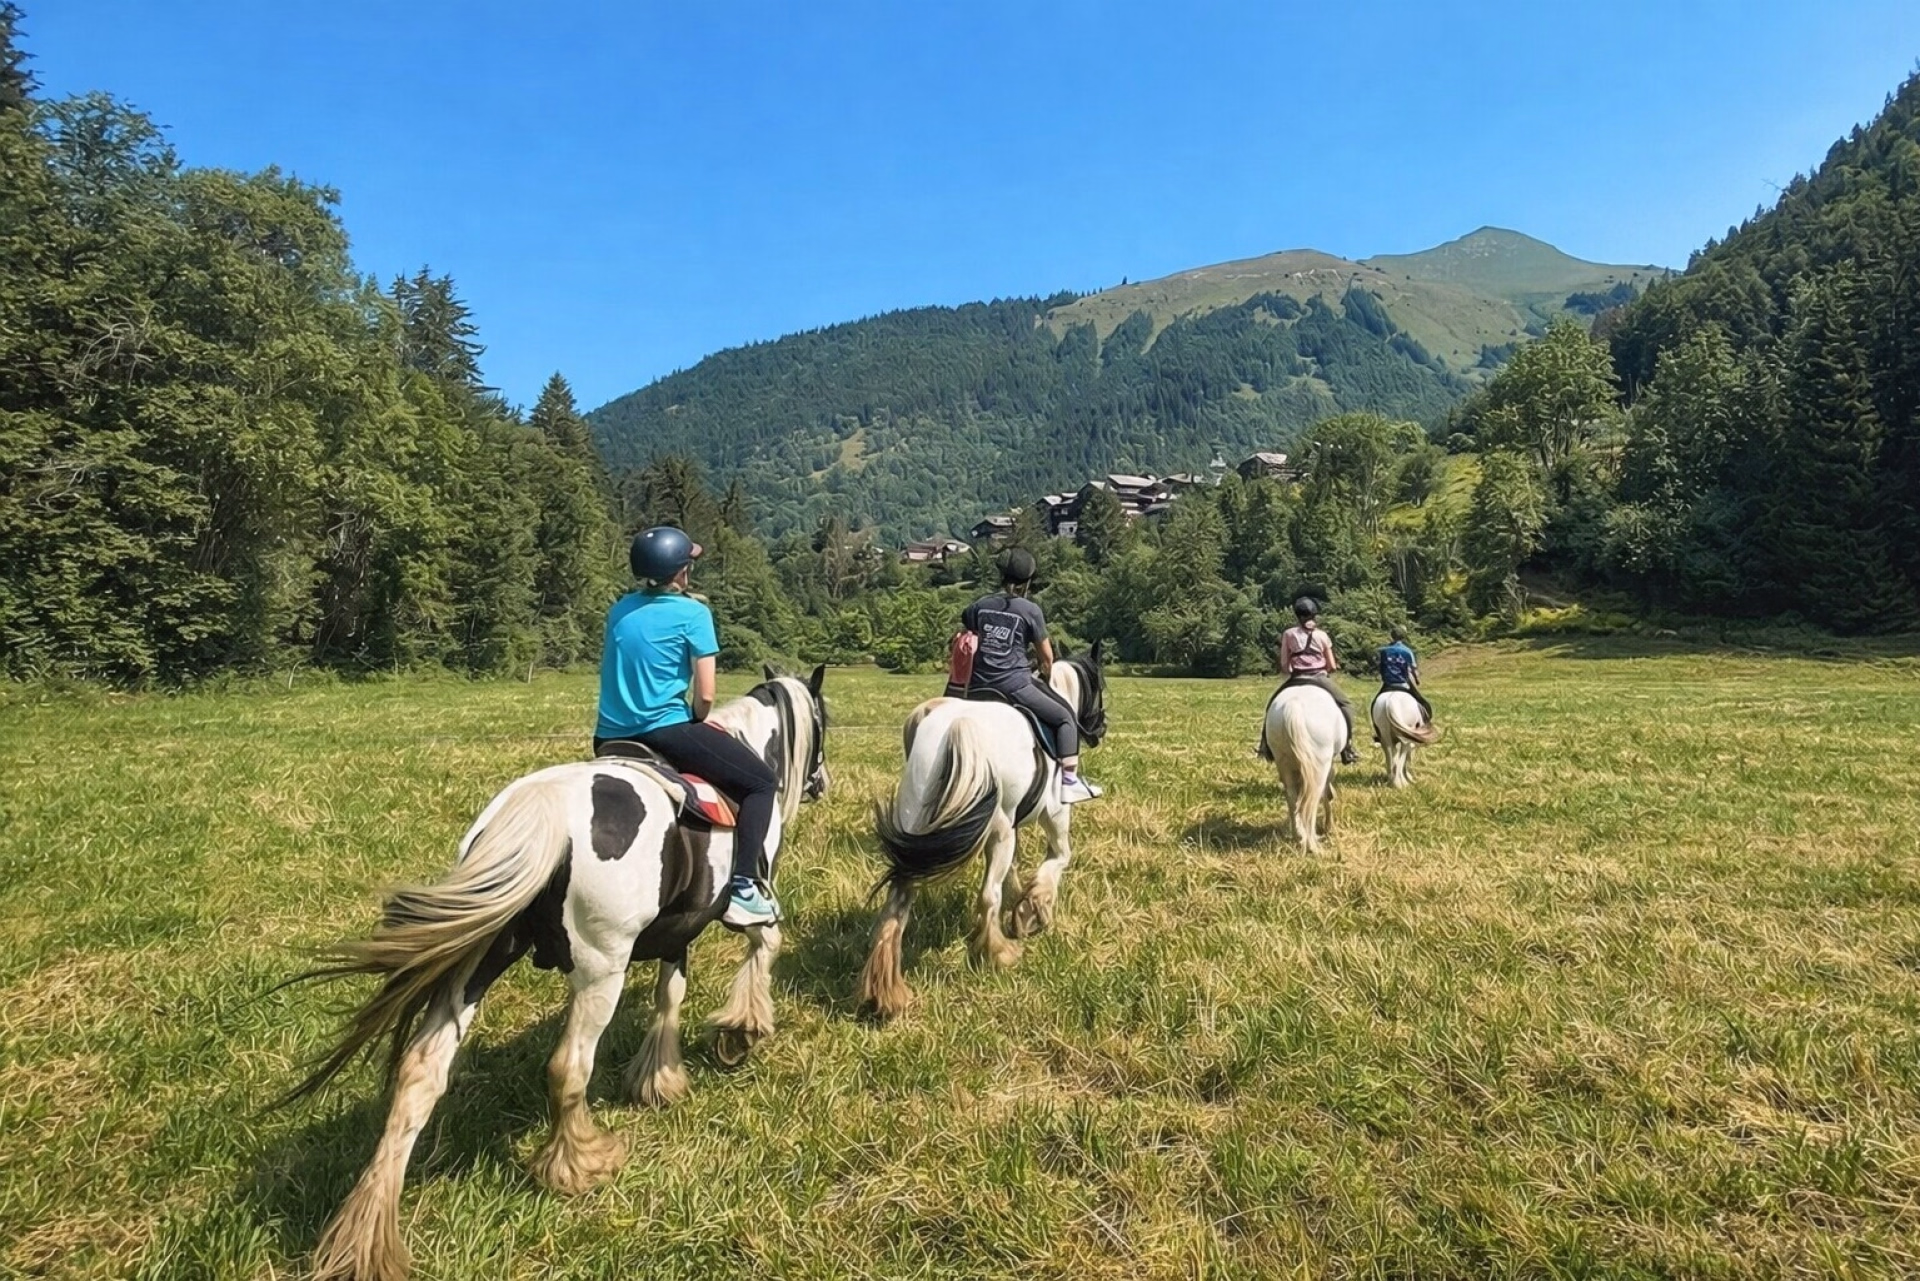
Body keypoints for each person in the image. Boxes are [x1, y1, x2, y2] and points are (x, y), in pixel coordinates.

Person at [593, 526, 781, 927]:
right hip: (665, 731)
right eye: (688, 563)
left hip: (608, 735)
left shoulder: (619, 609)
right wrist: (697, 717)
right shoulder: (694, 613)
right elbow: (707, 695)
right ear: (679, 571)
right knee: (761, 783)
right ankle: (744, 889)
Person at [961, 548, 1102, 802]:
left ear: (1001, 576)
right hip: (1014, 686)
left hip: (977, 686)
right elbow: (1047, 658)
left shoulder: (979, 606)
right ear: (1027, 581)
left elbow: (968, 634)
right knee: (1065, 718)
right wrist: (1045, 673)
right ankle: (1068, 783)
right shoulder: (1030, 610)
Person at [1276, 597, 1359, 765]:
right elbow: (1333, 666)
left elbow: (1285, 665)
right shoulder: (1322, 635)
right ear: (1314, 615)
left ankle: (1265, 745)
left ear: (1297, 616)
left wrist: (1293, 670)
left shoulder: (1288, 634)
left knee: (1272, 705)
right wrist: (1324, 671)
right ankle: (1348, 746)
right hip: (1319, 677)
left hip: (1297, 677)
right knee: (1346, 705)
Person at [1375, 625, 1434, 729]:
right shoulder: (1407, 651)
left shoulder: (1384, 651)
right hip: (1403, 683)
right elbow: (1414, 669)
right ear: (1404, 637)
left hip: (1388, 684)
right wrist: (1417, 680)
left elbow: (1381, 668)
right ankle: (1424, 724)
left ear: (1391, 636)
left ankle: (1377, 730)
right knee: (1423, 703)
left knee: (1375, 704)